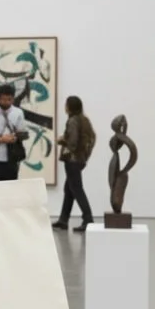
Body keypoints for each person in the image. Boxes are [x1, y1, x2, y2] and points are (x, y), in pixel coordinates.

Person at [53, 95, 96, 232]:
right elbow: (92, 138)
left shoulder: (72, 121)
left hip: (72, 160)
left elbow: (72, 142)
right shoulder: (85, 120)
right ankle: (63, 220)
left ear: (69, 107)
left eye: (66, 105)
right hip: (80, 160)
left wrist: (61, 140)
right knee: (69, 190)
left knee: (76, 189)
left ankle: (88, 219)